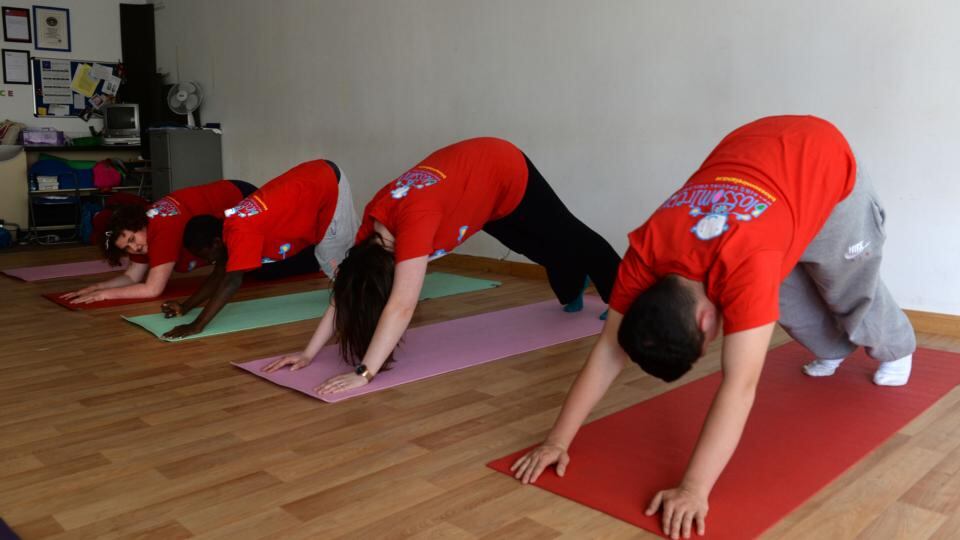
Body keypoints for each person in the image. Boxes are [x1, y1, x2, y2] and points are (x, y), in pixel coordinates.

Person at [508, 116, 916, 540]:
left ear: (704, 321)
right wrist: (557, 440)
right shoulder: (645, 253)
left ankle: (896, 347)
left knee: (846, 281)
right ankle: (832, 347)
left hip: (823, 161)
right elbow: (608, 351)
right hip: (761, 173)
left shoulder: (745, 261)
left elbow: (739, 385)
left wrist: (693, 489)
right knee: (784, 299)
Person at [262, 137, 623, 395]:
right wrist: (308, 353)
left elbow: (401, 304)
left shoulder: (414, 227)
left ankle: (621, 297)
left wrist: (364, 372)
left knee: (569, 234)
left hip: (503, 168)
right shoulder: (372, 228)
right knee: (531, 244)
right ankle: (573, 279)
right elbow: (347, 288)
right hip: (473, 191)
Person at [164, 159, 357, 339]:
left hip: (328, 182)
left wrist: (197, 325)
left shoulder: (240, 230)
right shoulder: (226, 226)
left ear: (215, 243)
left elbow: (231, 281)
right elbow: (220, 271)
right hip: (314, 177)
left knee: (332, 259)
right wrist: (185, 307)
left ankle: (365, 304)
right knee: (341, 254)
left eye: (206, 256)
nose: (209, 262)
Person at [62, 180, 256, 304]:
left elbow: (152, 289)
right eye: (127, 248)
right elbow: (132, 277)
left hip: (242, 198)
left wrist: (106, 296)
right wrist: (99, 287)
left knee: (268, 264)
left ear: (137, 224)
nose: (135, 248)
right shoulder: (143, 232)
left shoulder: (161, 228)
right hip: (233, 198)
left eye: (132, 239)